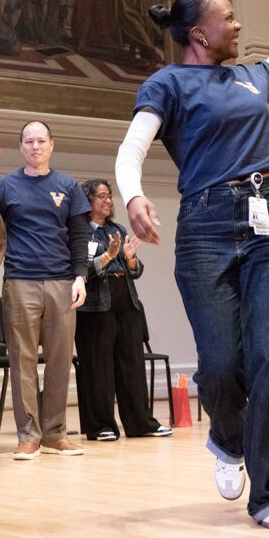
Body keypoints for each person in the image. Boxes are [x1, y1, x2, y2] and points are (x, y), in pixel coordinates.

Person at [115, 0, 269, 530]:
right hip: (207, 226)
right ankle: (227, 437)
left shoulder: (250, 77)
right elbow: (132, 149)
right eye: (228, 17)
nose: (238, 26)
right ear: (200, 34)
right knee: (221, 365)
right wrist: (132, 197)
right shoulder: (167, 83)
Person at [0, 120, 90, 460]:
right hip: (19, 280)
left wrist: (80, 276)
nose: (35, 146)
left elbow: (79, 236)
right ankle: (28, 435)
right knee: (22, 360)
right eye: (28, 141)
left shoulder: (68, 186)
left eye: (40, 141)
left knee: (61, 360)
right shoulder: (5, 187)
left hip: (62, 282)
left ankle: (55, 434)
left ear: (51, 145)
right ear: (22, 147)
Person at [75, 178, 172, 442]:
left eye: (109, 196)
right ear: (88, 200)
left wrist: (128, 257)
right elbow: (81, 270)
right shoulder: (80, 231)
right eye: (102, 196)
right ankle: (101, 426)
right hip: (95, 307)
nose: (108, 201)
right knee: (99, 367)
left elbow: (135, 271)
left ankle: (141, 423)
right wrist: (107, 256)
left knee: (132, 365)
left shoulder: (117, 228)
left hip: (126, 302)